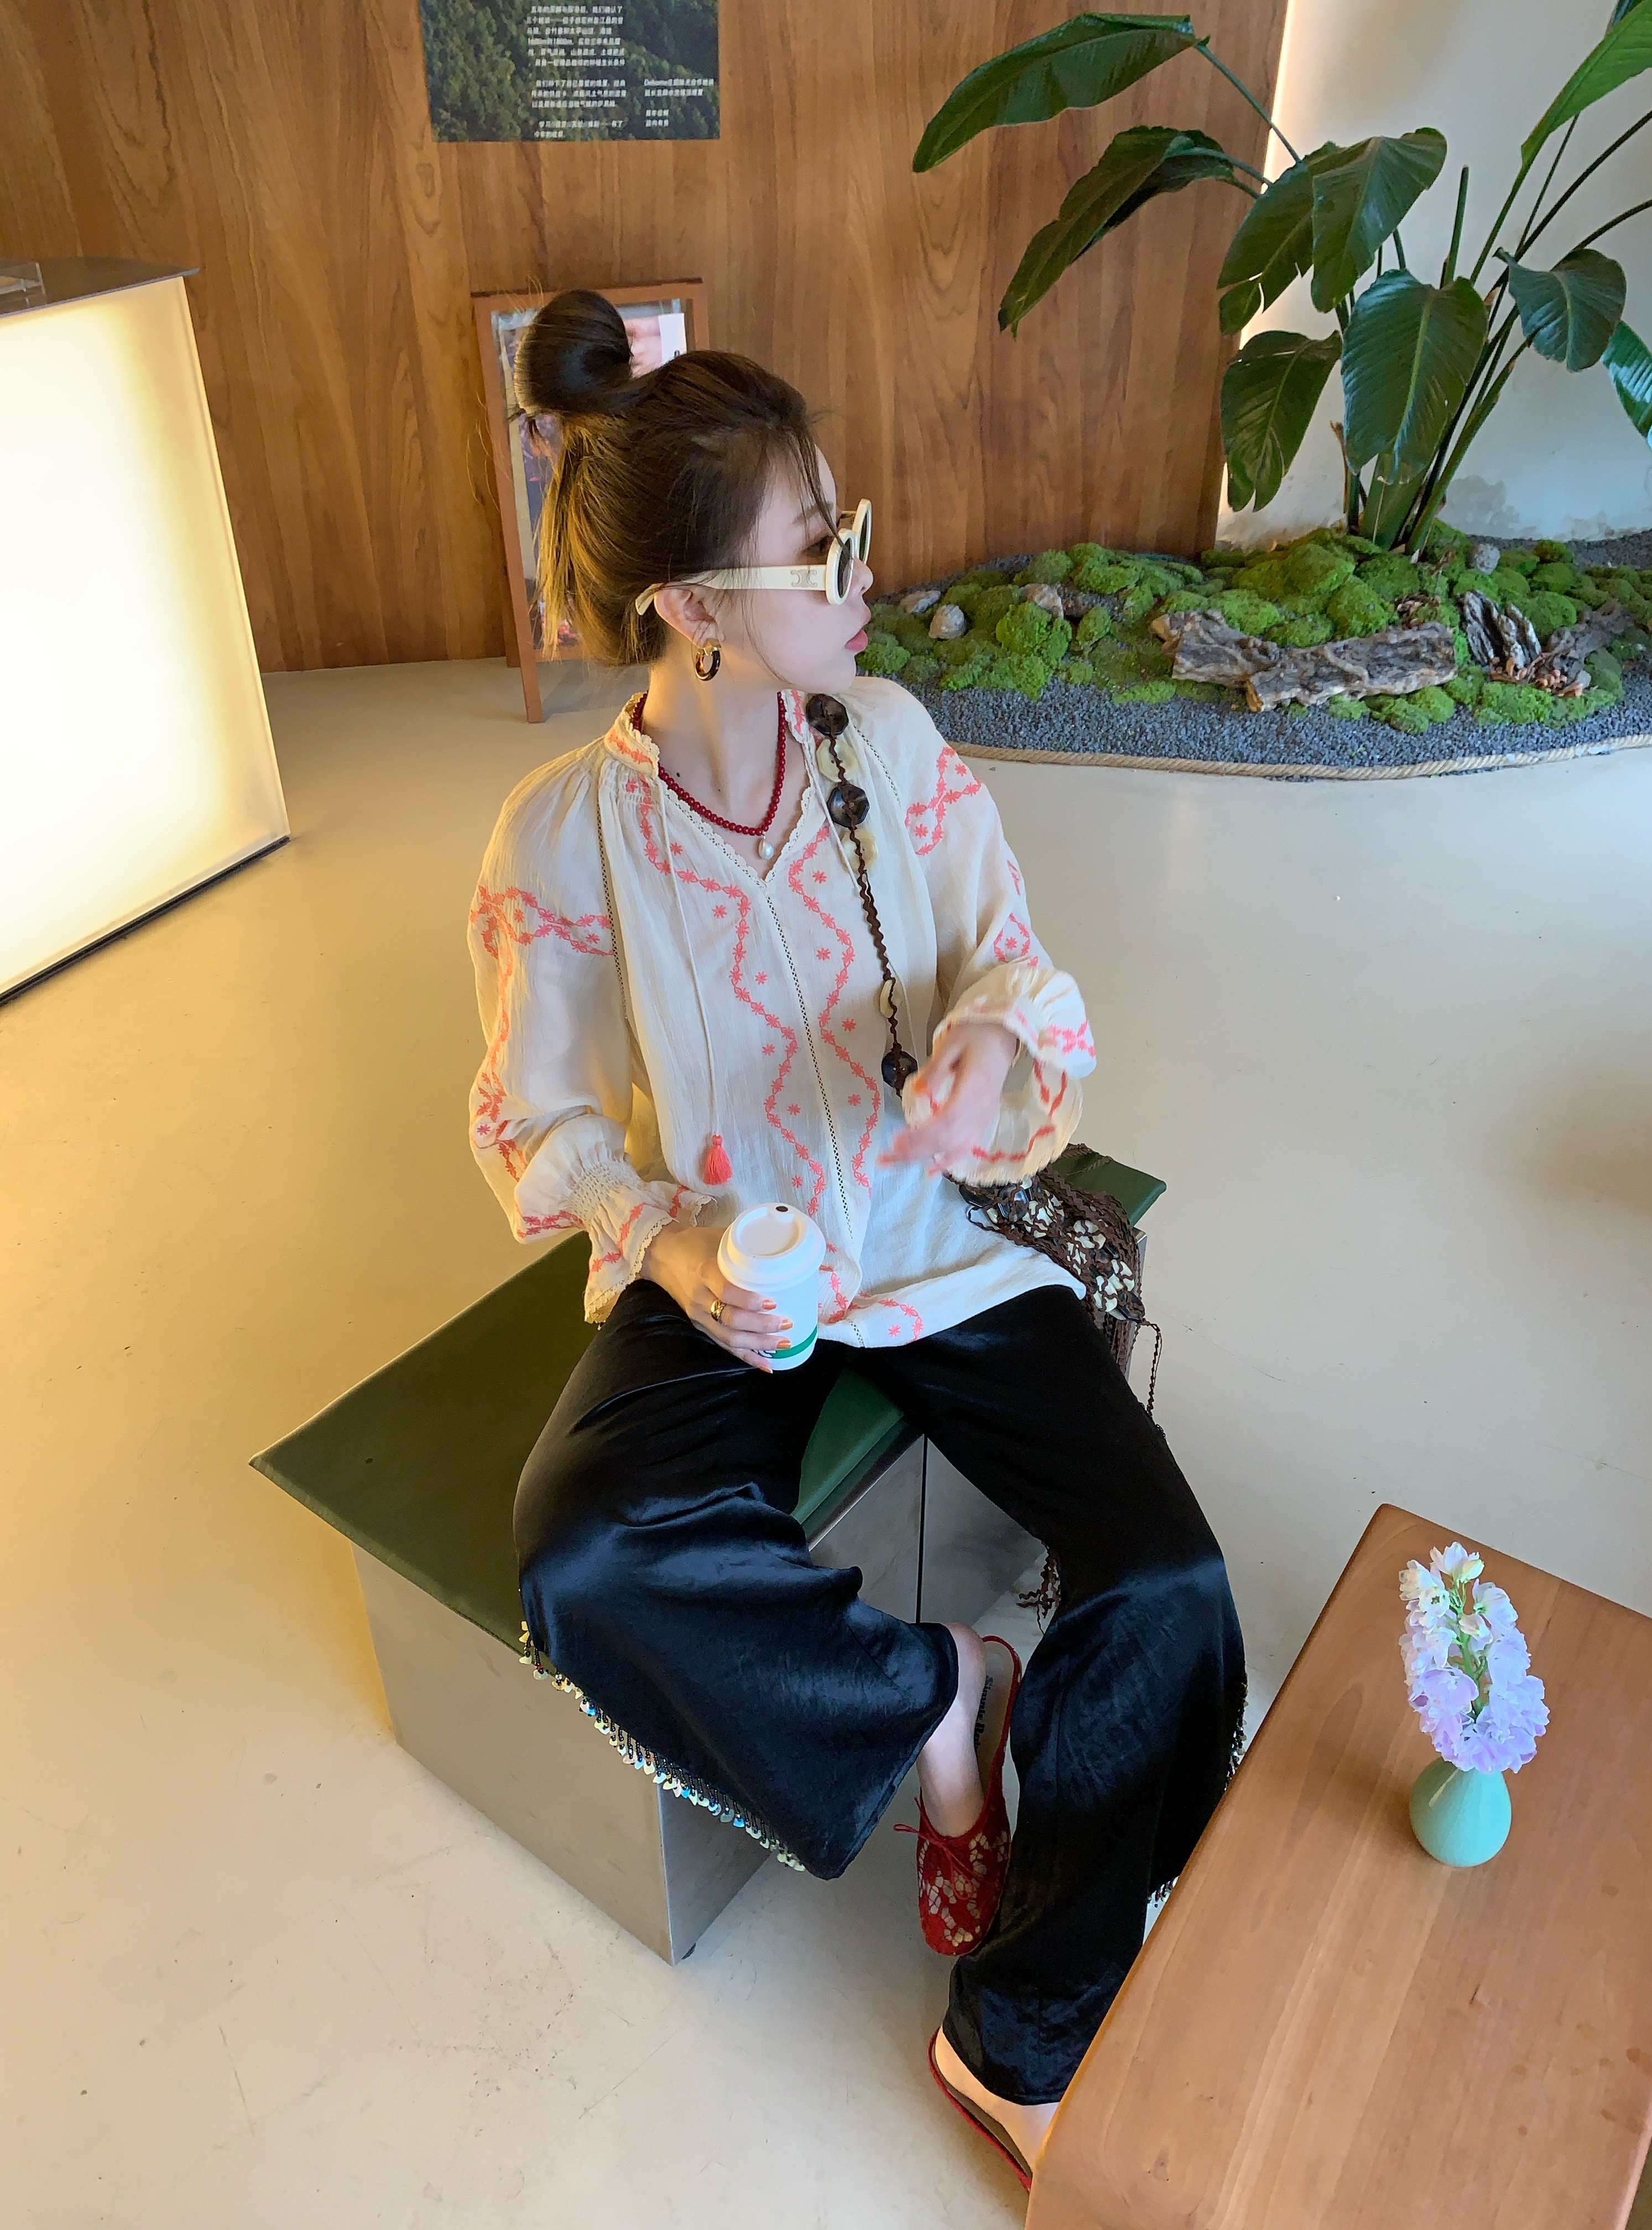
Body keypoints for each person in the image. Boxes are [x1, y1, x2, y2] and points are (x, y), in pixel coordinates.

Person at [467, 289, 1245, 2187]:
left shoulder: (886, 741)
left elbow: (1017, 969)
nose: (863, 570)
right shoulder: (558, 843)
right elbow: (538, 1119)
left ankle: (1021, 2033)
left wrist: (995, 1059)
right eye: (822, 544)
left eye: (849, 526)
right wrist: (675, 1252)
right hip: (734, 1272)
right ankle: (943, 1698)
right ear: (692, 607)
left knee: (1171, 1584)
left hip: (938, 1238)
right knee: (584, 1555)